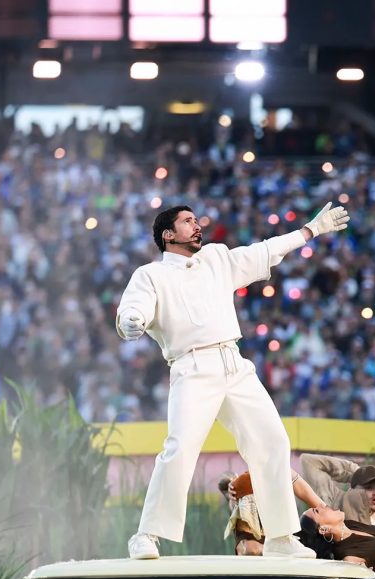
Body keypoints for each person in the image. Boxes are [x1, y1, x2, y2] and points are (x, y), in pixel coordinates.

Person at [116, 202, 349, 560]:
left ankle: (281, 538)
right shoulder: (150, 275)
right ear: (167, 234)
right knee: (180, 447)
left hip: (234, 363)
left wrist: (311, 230)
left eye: (197, 221)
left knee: (272, 441)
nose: (197, 226)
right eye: (188, 222)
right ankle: (146, 535)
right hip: (192, 367)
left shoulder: (216, 258)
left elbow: (266, 249)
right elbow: (134, 308)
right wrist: (131, 319)